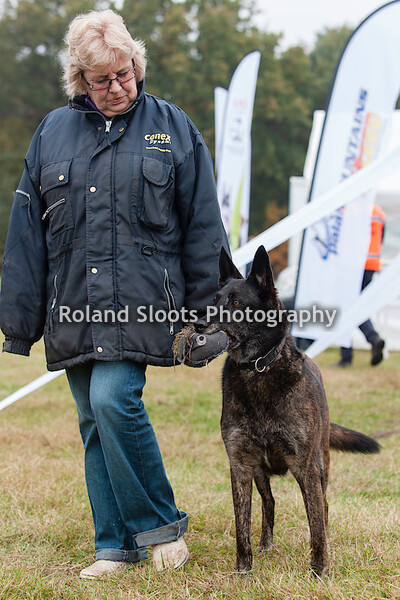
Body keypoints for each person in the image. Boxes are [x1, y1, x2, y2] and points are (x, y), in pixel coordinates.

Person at [0, 10, 228, 579]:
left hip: (144, 304)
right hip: (72, 305)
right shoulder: (51, 133)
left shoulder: (173, 127)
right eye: (103, 80)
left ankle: (162, 526)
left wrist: (209, 318)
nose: (118, 87)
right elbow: (26, 235)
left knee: (112, 400)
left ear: (136, 64)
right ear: (80, 79)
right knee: (92, 419)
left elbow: (203, 228)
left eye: (125, 74)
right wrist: (18, 322)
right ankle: (115, 546)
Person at [334, 204, 386, 368]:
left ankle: (350, 353)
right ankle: (371, 340)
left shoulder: (351, 209)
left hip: (353, 264)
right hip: (372, 264)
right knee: (356, 306)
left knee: (347, 307)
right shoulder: (378, 211)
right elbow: (381, 237)